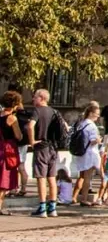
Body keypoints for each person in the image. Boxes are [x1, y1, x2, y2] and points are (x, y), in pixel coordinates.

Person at [27, 88, 67, 218]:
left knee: (41, 178)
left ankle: (42, 207)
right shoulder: (55, 111)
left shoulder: (37, 111)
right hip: (53, 148)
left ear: (41, 98)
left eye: (35, 97)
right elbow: (65, 127)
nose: (33, 99)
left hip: (41, 147)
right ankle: (52, 208)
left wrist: (32, 141)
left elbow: (30, 126)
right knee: (52, 178)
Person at [70, 101, 102, 207]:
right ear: (91, 113)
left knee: (83, 176)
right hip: (90, 153)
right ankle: (85, 199)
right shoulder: (91, 126)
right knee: (90, 177)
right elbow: (93, 140)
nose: (98, 116)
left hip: (82, 153)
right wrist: (99, 140)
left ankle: (76, 197)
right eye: (97, 113)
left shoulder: (82, 123)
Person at [0, 91, 26, 216]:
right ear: (15, 104)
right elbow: (18, 136)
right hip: (7, 150)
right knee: (3, 180)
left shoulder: (0, 115)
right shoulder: (12, 118)